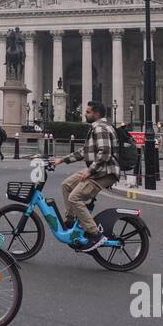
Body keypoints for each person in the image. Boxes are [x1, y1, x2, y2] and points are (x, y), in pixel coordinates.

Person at [49, 100, 120, 251]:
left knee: (75, 197)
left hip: (104, 172)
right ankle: (71, 221)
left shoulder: (100, 127)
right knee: (67, 185)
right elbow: (84, 152)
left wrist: (89, 171)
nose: (85, 114)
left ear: (97, 113)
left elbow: (105, 153)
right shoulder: (96, 127)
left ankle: (95, 235)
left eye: (88, 112)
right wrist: (61, 160)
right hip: (99, 169)